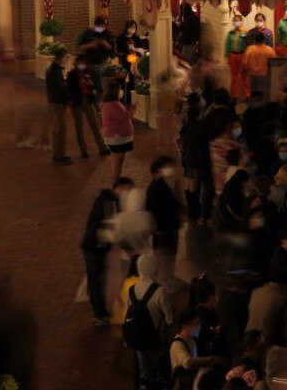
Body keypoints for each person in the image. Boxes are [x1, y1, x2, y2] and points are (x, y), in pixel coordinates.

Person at [81, 179, 132, 325]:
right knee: (97, 282)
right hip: (95, 248)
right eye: (126, 189)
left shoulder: (108, 200)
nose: (127, 193)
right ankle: (99, 315)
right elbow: (113, 228)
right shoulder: (109, 202)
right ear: (119, 188)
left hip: (96, 247)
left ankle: (100, 311)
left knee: (97, 281)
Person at [128, 253, 174, 388]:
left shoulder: (131, 290)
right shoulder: (160, 291)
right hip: (156, 340)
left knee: (144, 373)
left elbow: (128, 313)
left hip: (138, 339)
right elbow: (169, 318)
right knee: (161, 370)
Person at [146, 156, 183, 293]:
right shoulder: (155, 187)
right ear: (158, 170)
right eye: (168, 166)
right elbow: (154, 210)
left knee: (170, 256)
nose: (172, 169)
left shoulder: (169, 183)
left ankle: (169, 279)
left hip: (170, 228)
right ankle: (165, 284)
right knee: (164, 259)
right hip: (163, 230)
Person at [68, 54, 111, 158]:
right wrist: (79, 85)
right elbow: (69, 88)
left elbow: (95, 86)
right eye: (80, 63)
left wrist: (90, 84)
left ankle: (102, 147)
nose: (82, 65)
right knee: (79, 127)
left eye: (84, 63)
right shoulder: (72, 74)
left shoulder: (88, 73)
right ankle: (83, 150)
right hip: (77, 102)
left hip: (88, 100)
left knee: (95, 125)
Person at [101, 80, 135, 183]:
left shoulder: (107, 104)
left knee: (116, 159)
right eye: (119, 89)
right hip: (118, 137)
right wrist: (132, 109)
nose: (121, 91)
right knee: (118, 160)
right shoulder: (114, 105)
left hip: (115, 135)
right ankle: (116, 181)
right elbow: (124, 117)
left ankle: (116, 179)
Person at [45, 47, 73, 165]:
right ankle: (58, 156)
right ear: (59, 58)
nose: (66, 60)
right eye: (65, 58)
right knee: (59, 130)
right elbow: (60, 89)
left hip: (57, 102)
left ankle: (60, 154)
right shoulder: (54, 72)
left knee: (60, 129)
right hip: (57, 103)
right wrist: (69, 98)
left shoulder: (55, 70)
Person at [77, 16, 115, 94]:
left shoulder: (107, 33)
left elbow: (111, 48)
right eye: (101, 25)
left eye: (105, 25)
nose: (103, 27)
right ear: (96, 25)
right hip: (89, 62)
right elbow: (81, 46)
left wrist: (105, 43)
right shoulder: (88, 33)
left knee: (100, 83)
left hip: (102, 62)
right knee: (90, 84)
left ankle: (100, 101)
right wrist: (91, 45)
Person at [116, 19, 148, 103]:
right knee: (121, 82)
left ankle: (131, 101)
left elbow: (141, 50)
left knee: (132, 83)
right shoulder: (120, 38)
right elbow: (117, 51)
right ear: (127, 27)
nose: (132, 29)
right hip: (124, 62)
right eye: (131, 27)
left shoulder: (136, 38)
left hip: (134, 63)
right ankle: (121, 102)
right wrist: (125, 55)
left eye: (134, 27)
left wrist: (135, 49)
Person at [242, 32, 276, 100]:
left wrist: (245, 71)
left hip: (253, 74)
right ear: (264, 40)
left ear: (255, 40)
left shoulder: (250, 49)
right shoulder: (270, 50)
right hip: (265, 74)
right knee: (265, 92)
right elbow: (274, 64)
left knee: (254, 92)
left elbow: (245, 63)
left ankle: (254, 105)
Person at [224, 15, 249, 101]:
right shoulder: (230, 33)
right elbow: (227, 45)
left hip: (242, 55)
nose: (237, 22)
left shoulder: (245, 32)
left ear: (241, 22)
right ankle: (233, 95)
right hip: (232, 56)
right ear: (233, 22)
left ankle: (246, 95)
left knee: (244, 75)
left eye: (238, 20)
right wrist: (226, 56)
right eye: (235, 21)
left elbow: (248, 44)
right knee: (233, 76)